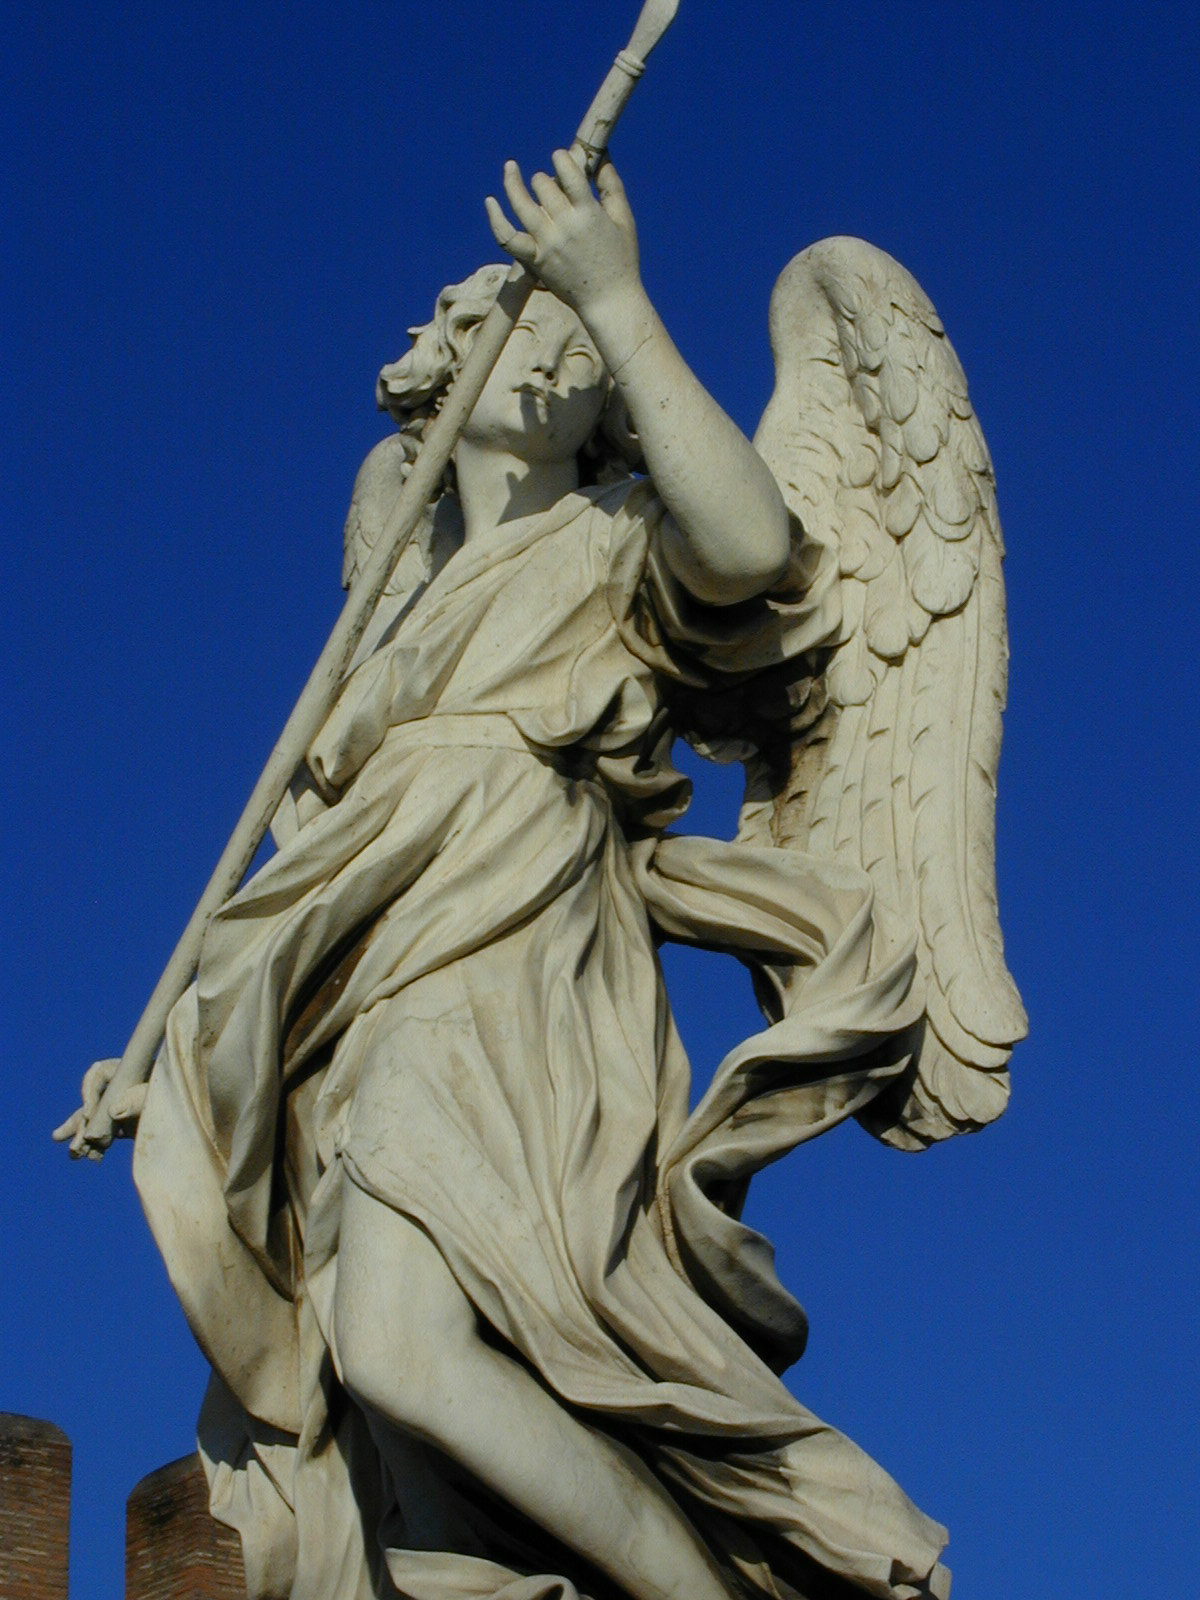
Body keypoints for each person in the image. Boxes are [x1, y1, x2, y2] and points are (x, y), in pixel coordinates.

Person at [127, 150, 951, 1600]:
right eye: (524, 320)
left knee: (401, 1343)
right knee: (384, 1377)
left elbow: (750, 542)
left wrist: (617, 294)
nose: (557, 349)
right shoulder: (394, 602)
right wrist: (192, 1048)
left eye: (579, 343)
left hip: (517, 956)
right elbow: (309, 852)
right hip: (364, 973)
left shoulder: (617, 537)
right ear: (447, 362)